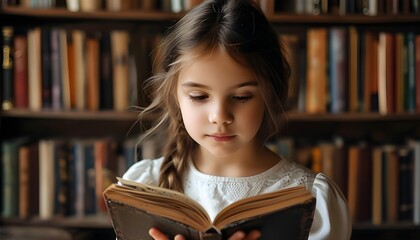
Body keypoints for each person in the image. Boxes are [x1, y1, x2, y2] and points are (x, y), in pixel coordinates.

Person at [123, 0, 352, 239]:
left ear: (269, 94)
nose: (220, 116)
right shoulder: (143, 187)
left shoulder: (311, 200)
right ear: (175, 95)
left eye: (241, 97)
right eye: (199, 96)